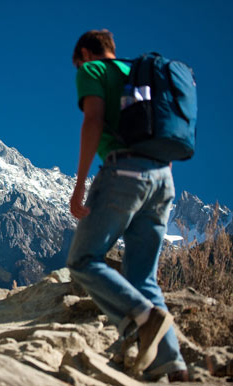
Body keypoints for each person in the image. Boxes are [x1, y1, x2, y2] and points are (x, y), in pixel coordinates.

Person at [66, 29, 189, 382]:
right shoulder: (138, 74)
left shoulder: (93, 71)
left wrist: (79, 185)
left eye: (78, 62)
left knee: (82, 259)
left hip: (123, 173)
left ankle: (142, 317)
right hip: (163, 178)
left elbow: (92, 120)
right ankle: (174, 368)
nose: (79, 68)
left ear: (86, 54)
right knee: (143, 278)